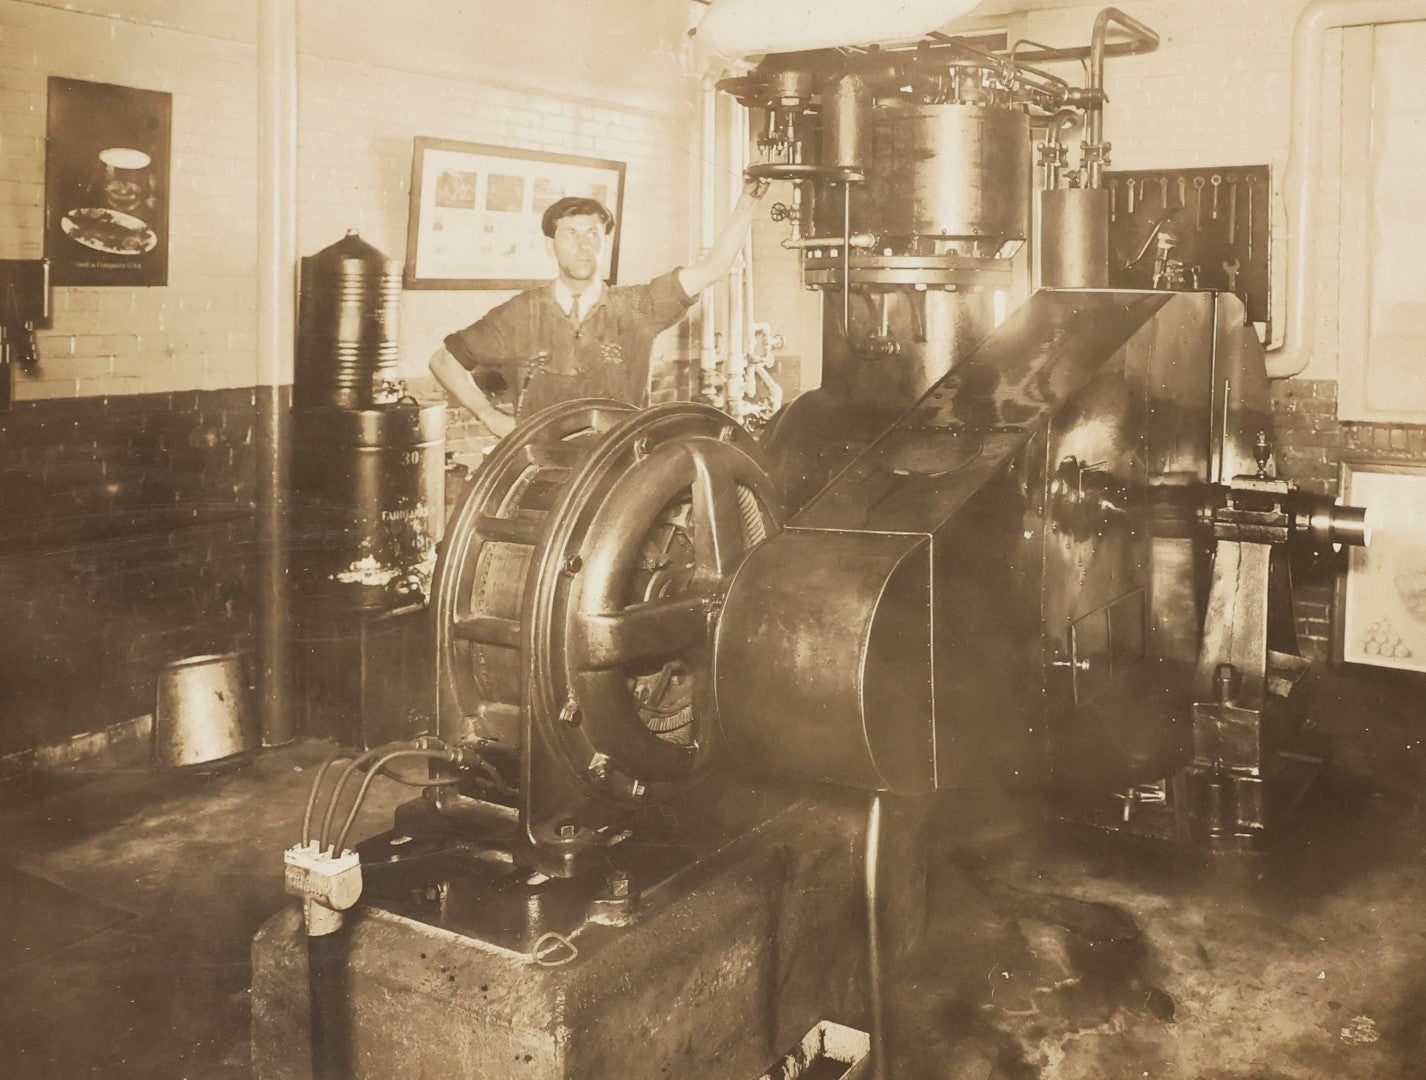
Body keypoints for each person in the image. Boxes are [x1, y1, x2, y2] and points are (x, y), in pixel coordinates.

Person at [429, 178, 769, 436]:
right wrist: (490, 417)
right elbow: (444, 360)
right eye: (571, 234)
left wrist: (749, 199)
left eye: (593, 234)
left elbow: (712, 268)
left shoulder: (637, 307)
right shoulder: (519, 314)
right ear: (551, 246)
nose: (583, 246)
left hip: (617, 476)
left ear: (604, 243)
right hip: (539, 470)